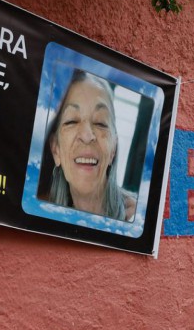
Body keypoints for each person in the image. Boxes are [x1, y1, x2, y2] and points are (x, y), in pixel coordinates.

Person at [40, 70, 135, 221]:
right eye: (72, 121)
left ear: (113, 150)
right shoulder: (44, 214)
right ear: (55, 150)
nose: (87, 135)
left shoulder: (137, 218)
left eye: (100, 123)